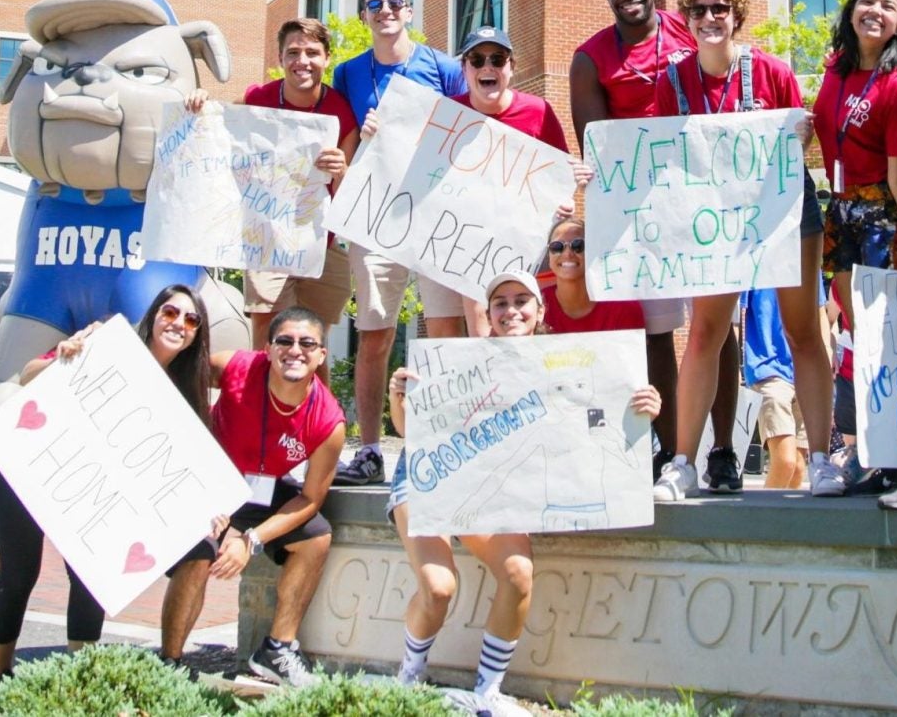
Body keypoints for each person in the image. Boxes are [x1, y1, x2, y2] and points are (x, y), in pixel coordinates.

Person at [385, 270, 661, 717]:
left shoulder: (563, 365)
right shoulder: (455, 362)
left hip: (491, 489)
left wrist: (642, 412)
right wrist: (399, 398)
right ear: (488, 315)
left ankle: (486, 693)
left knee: (517, 572)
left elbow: (604, 432)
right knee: (438, 587)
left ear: (539, 311)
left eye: (521, 301)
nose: (511, 310)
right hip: (429, 479)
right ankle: (409, 677)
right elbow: (407, 432)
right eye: (500, 303)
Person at [645, 0, 844, 499]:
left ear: (736, 15)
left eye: (720, 9)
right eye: (699, 11)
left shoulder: (772, 71)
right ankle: (682, 463)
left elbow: (796, 150)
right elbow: (663, 155)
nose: (710, 19)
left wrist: (800, 133)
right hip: (712, 225)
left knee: (803, 332)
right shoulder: (672, 82)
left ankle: (822, 458)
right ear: (686, 21)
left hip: (782, 217)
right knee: (707, 333)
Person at [0, 285, 211, 678]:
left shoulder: (184, 392)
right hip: (30, 463)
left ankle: (80, 681)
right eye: (171, 313)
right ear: (155, 314)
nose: (179, 323)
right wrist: (64, 355)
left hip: (94, 487)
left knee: (91, 574)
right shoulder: (105, 339)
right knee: (19, 573)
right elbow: (27, 376)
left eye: (191, 320)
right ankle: (0, 676)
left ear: (197, 335)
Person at [159, 306, 348, 685]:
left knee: (317, 537)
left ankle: (277, 649)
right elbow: (180, 363)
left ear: (321, 355)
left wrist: (252, 540)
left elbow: (310, 499)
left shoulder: (329, 421)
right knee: (201, 550)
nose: (296, 350)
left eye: (307, 343)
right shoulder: (237, 368)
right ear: (267, 348)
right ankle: (170, 662)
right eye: (285, 341)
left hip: (261, 490)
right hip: (211, 480)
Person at [330, 0, 468, 487]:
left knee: (446, 329)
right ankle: (369, 450)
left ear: (409, 11)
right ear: (365, 17)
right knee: (374, 333)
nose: (385, 11)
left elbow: (468, 133)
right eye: (374, 5)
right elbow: (342, 150)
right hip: (376, 219)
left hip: (434, 215)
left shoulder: (445, 68)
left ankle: (448, 440)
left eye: (393, 2)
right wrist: (362, 139)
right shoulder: (348, 75)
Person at [809, 0, 897, 508]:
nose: (875, 11)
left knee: (889, 338)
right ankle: (868, 449)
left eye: (888, 6)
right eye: (867, 1)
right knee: (855, 336)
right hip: (838, 212)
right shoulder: (835, 69)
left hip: (882, 216)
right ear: (852, 9)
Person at [570, 0, 698, 472]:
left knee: (716, 326)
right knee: (655, 333)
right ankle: (666, 449)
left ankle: (715, 451)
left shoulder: (689, 30)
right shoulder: (590, 57)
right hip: (637, 215)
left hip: (699, 201)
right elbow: (596, 146)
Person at [360, 24, 570, 335]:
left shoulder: (538, 111)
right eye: (477, 60)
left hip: (514, 243)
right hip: (453, 243)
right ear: (465, 68)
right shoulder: (445, 113)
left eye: (497, 59)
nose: (487, 67)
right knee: (460, 333)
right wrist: (376, 135)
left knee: (506, 331)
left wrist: (562, 200)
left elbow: (559, 175)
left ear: (511, 67)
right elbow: (404, 159)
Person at [187, 18, 355, 376]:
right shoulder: (256, 100)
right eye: (293, 52)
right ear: (280, 57)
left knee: (314, 341)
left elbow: (347, 198)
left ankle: (313, 423)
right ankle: (262, 416)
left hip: (317, 243)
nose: (302, 61)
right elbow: (215, 137)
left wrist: (341, 169)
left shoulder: (341, 111)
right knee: (269, 332)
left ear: (327, 59)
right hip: (267, 240)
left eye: (312, 52)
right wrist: (201, 106)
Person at [741, 288, 808, 489]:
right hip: (767, 368)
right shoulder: (752, 261)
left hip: (804, 371)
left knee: (797, 468)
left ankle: (786, 520)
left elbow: (820, 311)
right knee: (785, 462)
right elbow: (735, 316)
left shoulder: (805, 260)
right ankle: (761, 519)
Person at [542, 218, 645, 334]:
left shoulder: (624, 308)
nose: (567, 254)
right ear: (549, 257)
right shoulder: (535, 305)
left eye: (578, 245)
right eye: (557, 247)